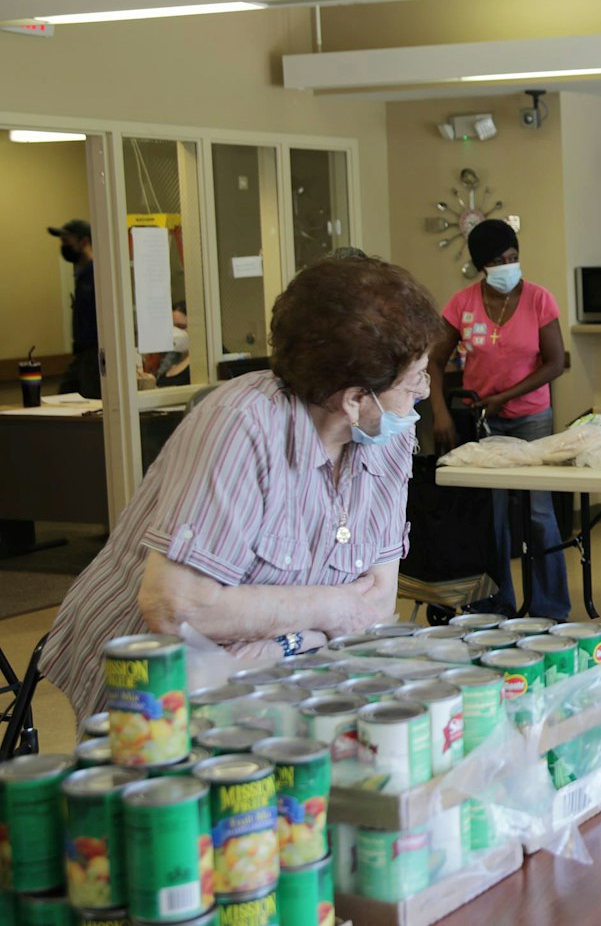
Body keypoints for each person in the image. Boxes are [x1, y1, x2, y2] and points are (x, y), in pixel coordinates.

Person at [40, 254, 440, 718]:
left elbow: (374, 602)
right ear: (354, 399)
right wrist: (329, 609)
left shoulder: (388, 432)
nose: (425, 393)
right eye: (415, 380)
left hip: (272, 678)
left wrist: (287, 638)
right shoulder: (242, 425)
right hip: (149, 685)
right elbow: (175, 609)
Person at [427, 219, 570, 618]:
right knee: (490, 518)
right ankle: (496, 605)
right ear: (481, 266)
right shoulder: (461, 304)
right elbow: (434, 361)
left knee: (538, 514)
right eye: (498, 260)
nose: (508, 265)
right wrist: (440, 413)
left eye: (513, 257)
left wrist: (504, 396)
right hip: (482, 423)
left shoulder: (539, 299)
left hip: (530, 419)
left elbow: (555, 362)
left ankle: (550, 607)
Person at [48, 218, 99, 399]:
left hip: (94, 354)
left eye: (67, 242)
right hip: (81, 353)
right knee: (65, 397)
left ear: (84, 242)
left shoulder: (97, 274)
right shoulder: (81, 274)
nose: (64, 247)